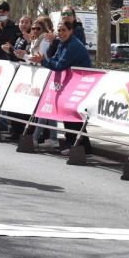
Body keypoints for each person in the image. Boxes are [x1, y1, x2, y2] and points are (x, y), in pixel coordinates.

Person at [42, 19, 92, 156]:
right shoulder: (62, 43)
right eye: (59, 30)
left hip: (81, 83)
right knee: (69, 114)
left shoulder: (73, 45)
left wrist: (43, 61)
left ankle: (80, 146)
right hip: (71, 83)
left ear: (71, 31)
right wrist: (45, 60)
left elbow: (59, 66)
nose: (61, 33)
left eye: (64, 30)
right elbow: (55, 60)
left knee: (74, 115)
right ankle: (77, 145)